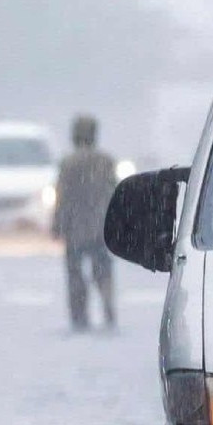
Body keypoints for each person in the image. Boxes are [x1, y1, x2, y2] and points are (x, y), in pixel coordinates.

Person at [54, 114, 118, 330]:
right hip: (100, 226)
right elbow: (114, 192)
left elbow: (62, 197)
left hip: (75, 228)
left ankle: (79, 315)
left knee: (75, 273)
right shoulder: (105, 161)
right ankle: (108, 308)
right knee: (103, 271)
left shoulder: (68, 163)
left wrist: (58, 224)